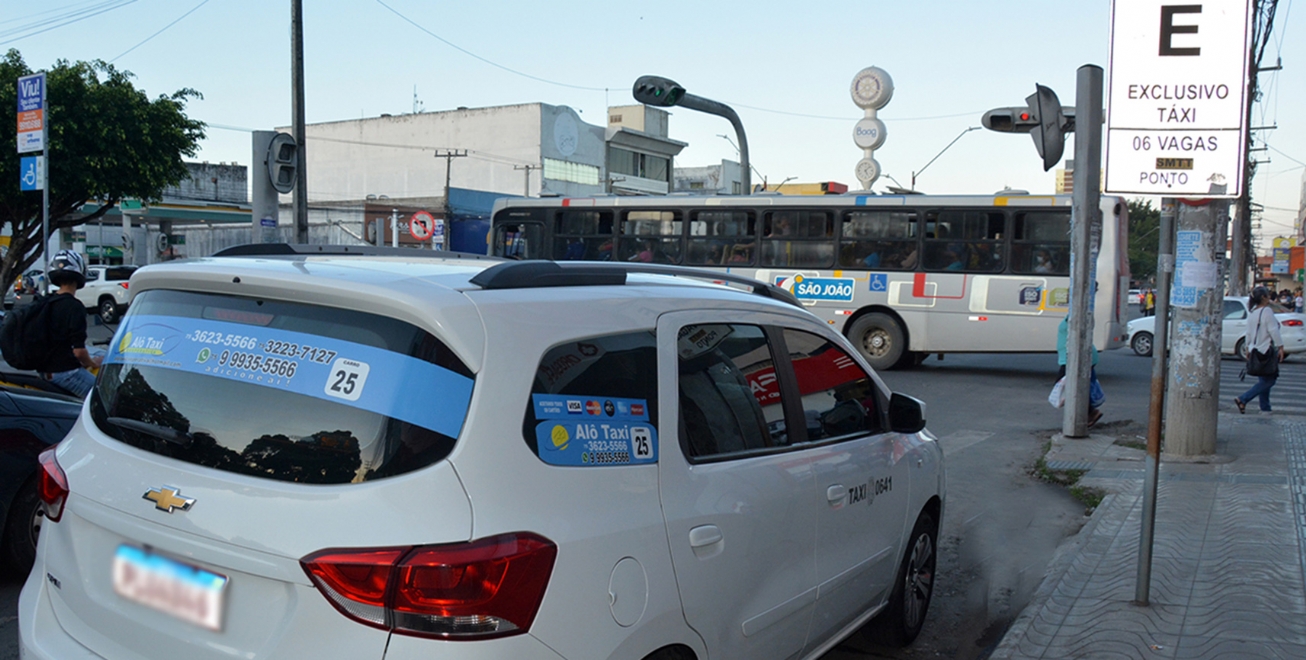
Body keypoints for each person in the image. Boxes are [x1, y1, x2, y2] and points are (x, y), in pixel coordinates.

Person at [39, 250, 102, 398]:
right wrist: (93, 363)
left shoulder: (46, 302)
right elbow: (79, 352)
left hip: (45, 371)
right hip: (65, 373)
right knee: (106, 398)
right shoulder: (74, 307)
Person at [1234, 286, 1286, 414]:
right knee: (1270, 379)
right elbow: (1273, 330)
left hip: (1255, 349)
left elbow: (1249, 333)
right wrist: (1280, 347)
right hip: (1265, 349)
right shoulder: (1266, 311)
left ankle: (1265, 408)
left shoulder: (1253, 312)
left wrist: (1247, 348)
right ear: (1263, 297)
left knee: (1264, 379)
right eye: (1268, 295)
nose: (1269, 297)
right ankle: (1243, 398)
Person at [1057, 315, 1103, 427]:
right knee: (1076, 386)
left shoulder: (1076, 314)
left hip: (1074, 357)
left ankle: (1090, 412)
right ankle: (1087, 413)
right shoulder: (1072, 315)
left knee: (1066, 387)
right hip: (1074, 357)